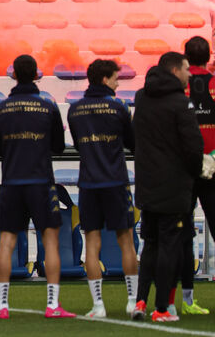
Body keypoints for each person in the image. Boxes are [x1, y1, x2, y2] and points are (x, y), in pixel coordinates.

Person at [0, 54, 72, 319]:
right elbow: (58, 147)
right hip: (41, 181)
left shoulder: (0, 108)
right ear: (38, 75)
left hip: (12, 181)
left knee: (6, 242)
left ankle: (2, 307)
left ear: (13, 75)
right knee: (50, 242)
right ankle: (52, 305)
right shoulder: (48, 107)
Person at [132, 52, 205, 322]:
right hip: (173, 186)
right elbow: (193, 145)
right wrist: (198, 169)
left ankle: (140, 301)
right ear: (175, 71)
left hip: (147, 183)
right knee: (170, 246)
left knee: (150, 244)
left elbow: (134, 136)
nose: (189, 74)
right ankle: (162, 307)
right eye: (186, 69)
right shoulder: (180, 102)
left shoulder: (142, 98)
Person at [67, 59, 138, 318]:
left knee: (92, 243)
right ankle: (132, 302)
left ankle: (98, 306)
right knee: (127, 242)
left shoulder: (74, 109)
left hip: (89, 183)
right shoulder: (119, 107)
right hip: (116, 181)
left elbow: (78, 143)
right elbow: (132, 143)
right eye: (116, 78)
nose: (118, 83)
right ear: (106, 79)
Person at [177, 36, 215, 315]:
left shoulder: (179, 88)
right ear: (209, 55)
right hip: (214, 167)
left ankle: (187, 299)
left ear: (185, 57)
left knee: (183, 233)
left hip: (183, 168)